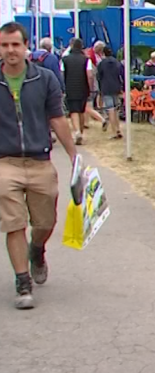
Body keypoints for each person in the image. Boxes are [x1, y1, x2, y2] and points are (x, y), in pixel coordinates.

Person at [0, 22, 78, 310]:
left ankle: (38, 249)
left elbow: (57, 118)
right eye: (4, 45)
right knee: (14, 222)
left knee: (44, 222)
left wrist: (73, 155)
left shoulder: (44, 79)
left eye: (15, 45)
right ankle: (22, 281)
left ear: (25, 47)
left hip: (39, 159)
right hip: (5, 161)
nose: (10, 50)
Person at [60, 39, 97, 145]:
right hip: (83, 88)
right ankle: (80, 131)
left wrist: (63, 87)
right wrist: (89, 88)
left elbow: (62, 74)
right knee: (81, 110)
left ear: (71, 46)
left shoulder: (65, 59)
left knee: (73, 111)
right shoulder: (86, 60)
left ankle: (76, 132)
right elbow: (90, 75)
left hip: (70, 87)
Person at [96, 47, 125, 140]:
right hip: (116, 87)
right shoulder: (117, 63)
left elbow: (99, 77)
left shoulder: (101, 64)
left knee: (110, 109)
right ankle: (118, 129)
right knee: (116, 109)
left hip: (106, 87)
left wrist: (100, 90)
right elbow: (123, 75)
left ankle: (114, 131)